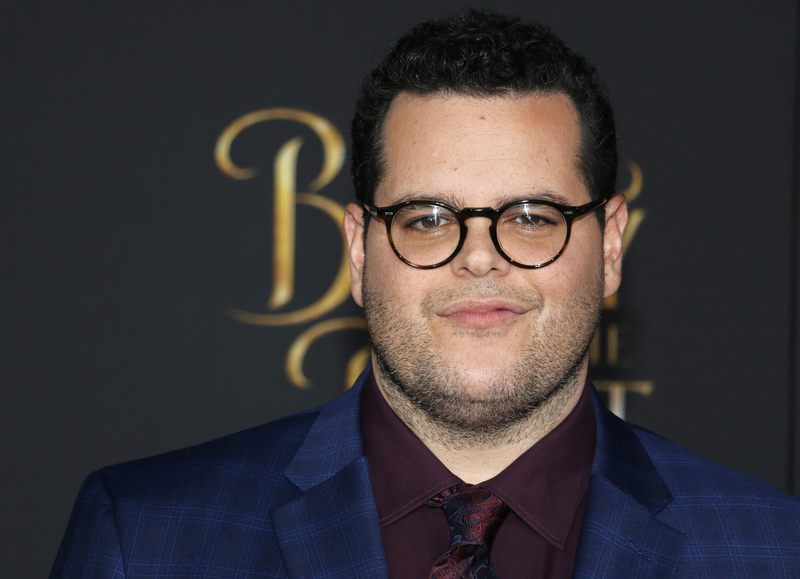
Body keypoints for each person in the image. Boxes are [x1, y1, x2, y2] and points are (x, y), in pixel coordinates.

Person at [51, 10, 800, 579]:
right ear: (357, 248)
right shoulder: (147, 538)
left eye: (532, 217)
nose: (479, 258)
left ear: (608, 247)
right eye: (429, 218)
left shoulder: (771, 548)